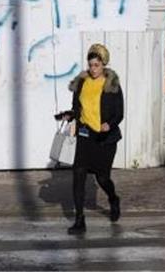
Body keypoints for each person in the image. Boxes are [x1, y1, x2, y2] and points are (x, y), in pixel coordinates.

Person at [57, 43, 124, 235]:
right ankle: (80, 220)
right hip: (85, 136)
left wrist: (109, 125)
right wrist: (70, 115)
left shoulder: (112, 85)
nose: (93, 69)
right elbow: (77, 108)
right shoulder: (82, 83)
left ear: (103, 64)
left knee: (102, 178)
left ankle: (113, 199)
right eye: (91, 64)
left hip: (104, 139)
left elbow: (119, 113)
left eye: (97, 65)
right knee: (78, 176)